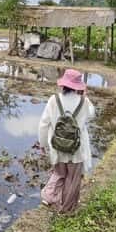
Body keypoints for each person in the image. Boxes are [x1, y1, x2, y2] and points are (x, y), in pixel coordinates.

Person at [37, 69, 94, 214]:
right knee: (72, 179)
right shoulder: (84, 102)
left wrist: (43, 144)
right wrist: (85, 96)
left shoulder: (54, 99)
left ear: (63, 84)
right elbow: (91, 115)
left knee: (59, 173)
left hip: (57, 146)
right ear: (78, 86)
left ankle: (49, 197)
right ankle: (66, 209)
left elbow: (44, 123)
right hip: (76, 149)